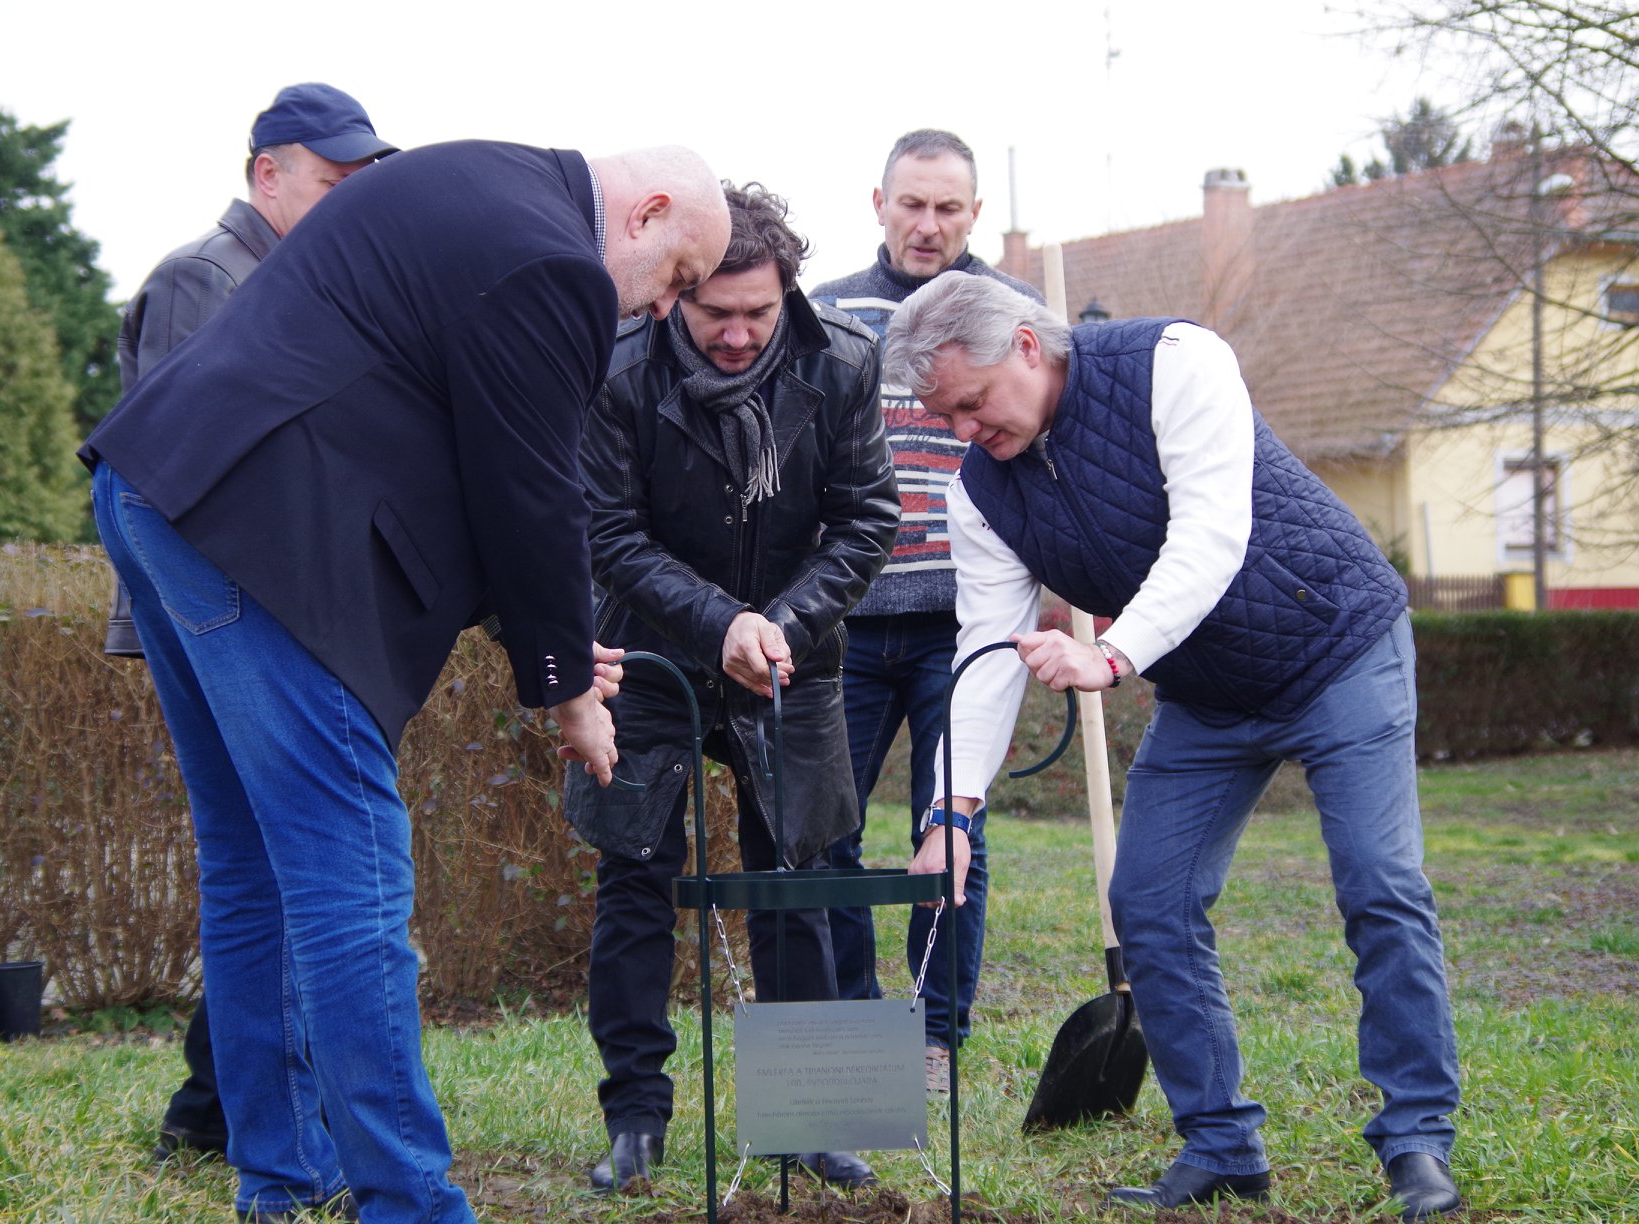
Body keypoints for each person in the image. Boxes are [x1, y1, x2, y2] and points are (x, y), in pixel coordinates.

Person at [81, 141, 730, 1224]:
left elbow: (449, 444)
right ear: (648, 212)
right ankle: (408, 1204)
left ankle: (285, 1180)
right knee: (353, 879)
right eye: (676, 278)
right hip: (262, 536)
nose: (664, 310)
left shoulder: (478, 179)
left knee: (251, 866)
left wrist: (553, 640)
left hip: (164, 491)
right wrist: (569, 687)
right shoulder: (555, 264)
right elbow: (531, 489)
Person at [878, 272, 1463, 1219]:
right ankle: (1222, 1144)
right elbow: (984, 656)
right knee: (1147, 900)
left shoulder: (1175, 363)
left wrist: (1110, 655)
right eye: (945, 416)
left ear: (1025, 346)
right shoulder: (980, 495)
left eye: (973, 404)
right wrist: (951, 812)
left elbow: (1209, 538)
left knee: (1379, 885)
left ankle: (1417, 1139)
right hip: (1207, 697)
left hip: (1338, 650)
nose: (963, 432)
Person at [569, 182, 898, 1193]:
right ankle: (635, 1119)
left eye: (759, 312)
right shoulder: (618, 368)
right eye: (718, 313)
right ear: (678, 294)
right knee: (635, 879)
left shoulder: (843, 361)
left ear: (787, 290)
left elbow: (867, 519)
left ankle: (816, 1118)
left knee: (801, 876)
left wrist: (782, 624)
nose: (740, 334)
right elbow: (609, 532)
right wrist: (721, 626)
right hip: (650, 655)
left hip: (793, 654)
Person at [104, 80, 397, 1169]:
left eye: (361, 183)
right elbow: (183, 471)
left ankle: (231, 1117)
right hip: (225, 609)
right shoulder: (205, 276)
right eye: (330, 180)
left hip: (265, 610)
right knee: (267, 869)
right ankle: (228, 1116)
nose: (347, 201)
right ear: (266, 173)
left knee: (273, 867)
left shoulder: (305, 280)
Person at [808, 130, 1042, 1090]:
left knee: (949, 834)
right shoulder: (825, 314)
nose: (929, 224)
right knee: (825, 830)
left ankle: (935, 1036)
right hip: (847, 623)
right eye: (912, 203)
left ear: (975, 213)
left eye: (949, 207)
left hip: (967, 625)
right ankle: (861, 1026)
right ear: (880, 204)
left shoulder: (1019, 320)